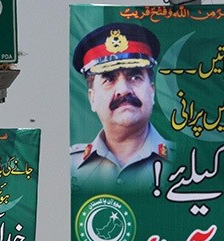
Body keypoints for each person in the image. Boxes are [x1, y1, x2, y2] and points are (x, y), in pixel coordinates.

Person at [71, 22, 172, 191]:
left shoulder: (184, 162)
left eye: (135, 77)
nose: (123, 90)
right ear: (92, 99)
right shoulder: (69, 166)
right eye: (109, 79)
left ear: (152, 92)